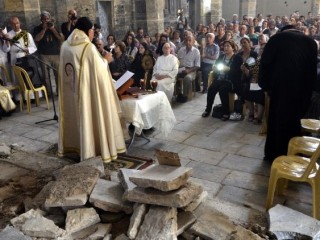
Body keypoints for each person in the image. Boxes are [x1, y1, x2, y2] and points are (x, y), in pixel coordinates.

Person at [58, 17, 126, 162]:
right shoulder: (88, 48)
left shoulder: (65, 46)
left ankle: (76, 146)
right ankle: (90, 148)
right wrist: (106, 60)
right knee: (88, 116)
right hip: (86, 94)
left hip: (70, 91)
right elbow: (99, 70)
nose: (93, 35)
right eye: (93, 32)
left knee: (74, 116)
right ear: (89, 31)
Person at [258, 25, 318, 163]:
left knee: (276, 121)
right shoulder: (310, 42)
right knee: (294, 121)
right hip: (302, 90)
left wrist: (265, 85)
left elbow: (265, 63)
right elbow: (312, 71)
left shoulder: (276, 38)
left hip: (280, 88)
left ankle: (274, 154)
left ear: (283, 31)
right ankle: (293, 153)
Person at [201, 40, 243, 121]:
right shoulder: (221, 57)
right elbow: (216, 65)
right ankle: (208, 109)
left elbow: (238, 72)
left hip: (231, 81)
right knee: (211, 89)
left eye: (228, 46)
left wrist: (229, 69)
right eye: (225, 46)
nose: (226, 48)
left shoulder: (237, 58)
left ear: (233, 48)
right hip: (220, 79)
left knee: (223, 90)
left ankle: (226, 112)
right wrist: (215, 68)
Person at [33, 11, 62, 96]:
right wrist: (44, 29)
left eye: (47, 18)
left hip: (55, 54)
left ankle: (59, 92)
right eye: (44, 19)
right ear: (41, 20)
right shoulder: (37, 28)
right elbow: (37, 39)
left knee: (58, 74)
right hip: (43, 54)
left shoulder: (54, 26)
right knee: (45, 76)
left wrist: (52, 29)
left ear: (50, 18)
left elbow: (59, 38)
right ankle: (49, 94)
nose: (46, 20)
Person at [176, 35, 200, 103]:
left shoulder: (196, 51)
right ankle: (177, 93)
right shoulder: (181, 50)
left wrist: (188, 70)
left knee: (187, 78)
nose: (188, 42)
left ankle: (184, 95)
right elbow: (177, 61)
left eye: (190, 41)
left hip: (191, 70)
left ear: (193, 42)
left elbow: (197, 66)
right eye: (186, 40)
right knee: (171, 76)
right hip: (180, 69)